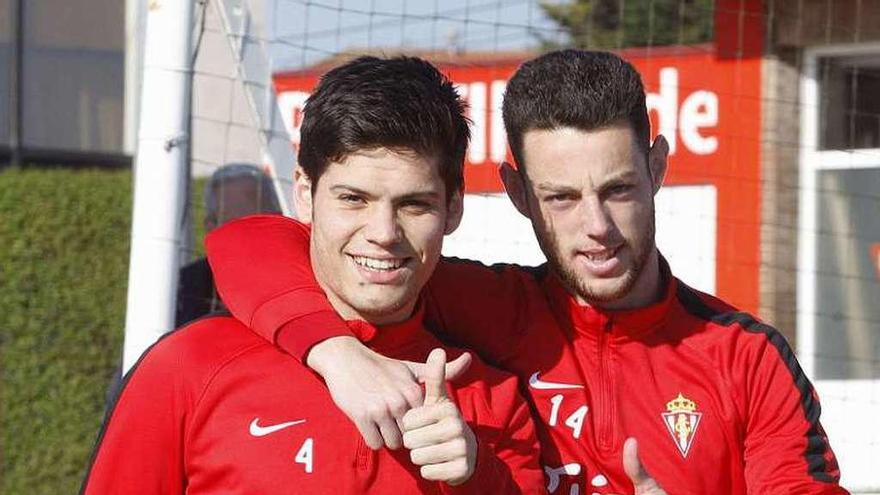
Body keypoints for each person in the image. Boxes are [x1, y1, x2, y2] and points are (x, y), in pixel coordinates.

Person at [204, 50, 848, 494]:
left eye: (619, 188)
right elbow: (251, 244)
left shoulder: (745, 357)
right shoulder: (484, 304)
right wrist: (338, 354)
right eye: (561, 197)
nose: (596, 224)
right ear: (516, 192)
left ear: (657, 168)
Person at [81, 56, 548, 494]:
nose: (383, 233)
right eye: (353, 199)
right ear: (305, 193)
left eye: (414, 204)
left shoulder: (493, 401)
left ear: (453, 209)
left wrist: (479, 479)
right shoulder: (190, 365)